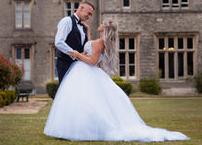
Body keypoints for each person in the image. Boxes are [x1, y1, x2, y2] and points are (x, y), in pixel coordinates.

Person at [45, 19, 189, 142]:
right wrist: (87, 32)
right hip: (88, 72)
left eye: (102, 24)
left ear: (105, 28)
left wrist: (77, 54)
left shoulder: (99, 43)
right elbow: (91, 46)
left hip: (86, 69)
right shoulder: (101, 42)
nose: (99, 24)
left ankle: (83, 129)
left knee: (86, 102)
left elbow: (92, 61)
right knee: (88, 102)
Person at [54, 2, 95, 83]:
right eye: (88, 13)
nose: (89, 17)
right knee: (66, 90)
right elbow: (59, 42)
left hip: (79, 65)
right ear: (81, 8)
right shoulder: (66, 21)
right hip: (65, 63)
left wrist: (88, 30)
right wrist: (76, 55)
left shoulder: (84, 27)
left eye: (91, 15)